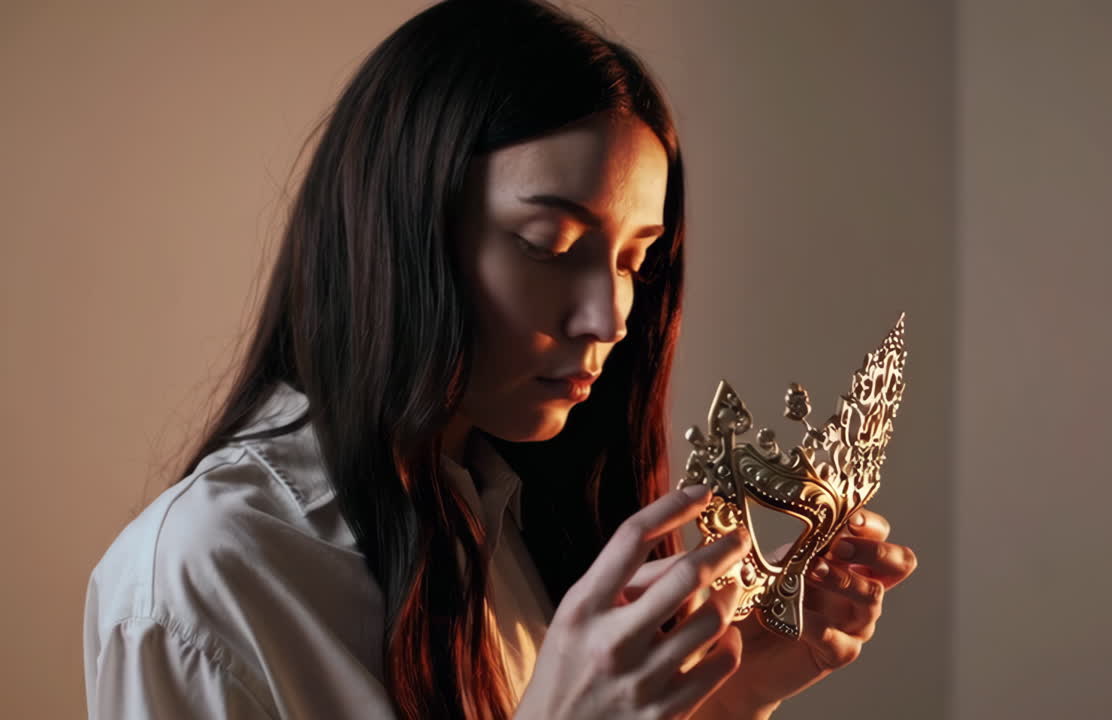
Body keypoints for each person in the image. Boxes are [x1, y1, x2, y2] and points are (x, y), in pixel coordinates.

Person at [82, 1, 919, 718]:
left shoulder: (515, 518)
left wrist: (732, 693)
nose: (611, 318)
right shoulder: (199, 583)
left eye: (636, 261)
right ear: (402, 232)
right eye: (548, 244)